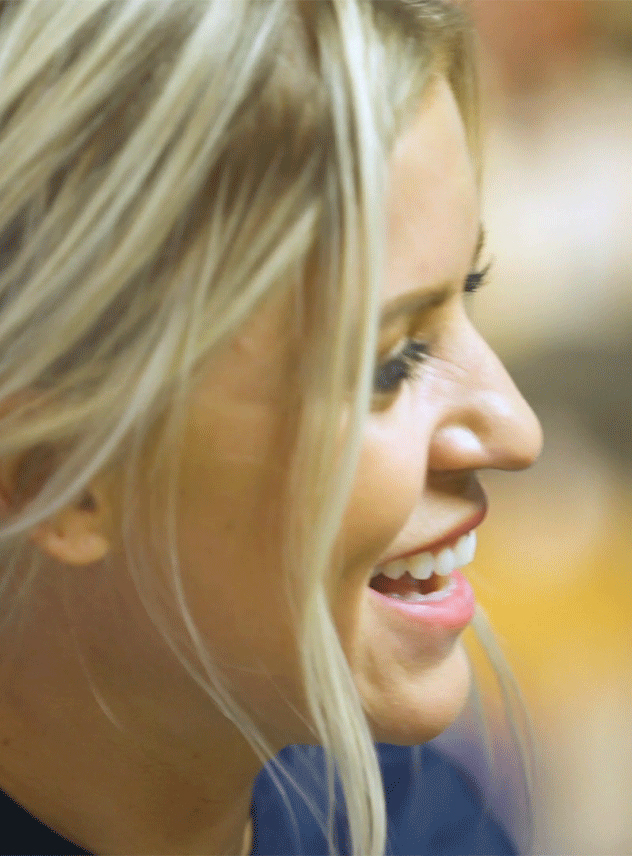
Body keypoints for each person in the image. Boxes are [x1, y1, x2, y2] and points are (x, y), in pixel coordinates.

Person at [0, 1, 542, 854]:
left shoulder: (424, 821)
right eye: (389, 361)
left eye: (466, 292)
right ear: (51, 471)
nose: (517, 430)